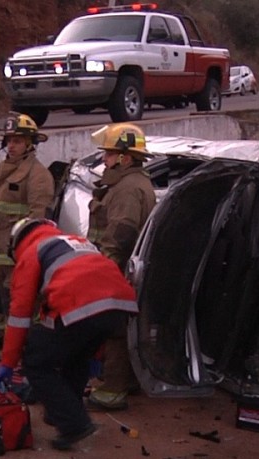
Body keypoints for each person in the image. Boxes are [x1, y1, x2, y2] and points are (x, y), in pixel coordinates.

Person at [0, 218, 139, 450]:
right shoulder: (78, 243)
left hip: (80, 305)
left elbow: (19, 316)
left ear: (17, 242)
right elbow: (95, 302)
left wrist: (8, 364)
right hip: (120, 306)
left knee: (36, 362)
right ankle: (62, 412)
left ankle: (74, 424)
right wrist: (95, 354)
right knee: (77, 354)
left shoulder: (33, 251)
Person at [0, 113, 55, 354]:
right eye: (9, 140)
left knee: (14, 295)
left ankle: (26, 341)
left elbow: (38, 217)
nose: (11, 145)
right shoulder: (0, 170)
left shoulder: (38, 176)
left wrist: (28, 250)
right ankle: (0, 335)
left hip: (17, 251)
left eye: (17, 140)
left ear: (30, 143)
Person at [85, 123, 156, 410]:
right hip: (122, 270)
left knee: (115, 330)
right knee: (126, 328)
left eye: (110, 154)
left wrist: (103, 273)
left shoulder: (127, 189)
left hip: (118, 271)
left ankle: (111, 391)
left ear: (125, 158)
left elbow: (121, 235)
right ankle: (128, 381)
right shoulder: (129, 183)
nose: (105, 159)